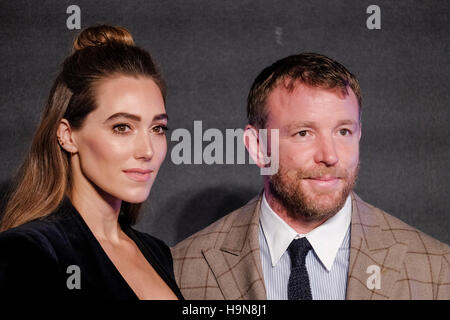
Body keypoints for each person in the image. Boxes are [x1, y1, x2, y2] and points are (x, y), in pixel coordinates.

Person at [171, 53, 449, 300]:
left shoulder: (436, 270)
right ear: (257, 147)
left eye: (343, 132)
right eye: (303, 133)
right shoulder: (183, 270)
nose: (330, 156)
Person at [0, 25, 183, 300]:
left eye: (157, 129)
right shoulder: (29, 252)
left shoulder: (156, 252)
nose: (147, 150)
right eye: (122, 127)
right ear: (67, 135)